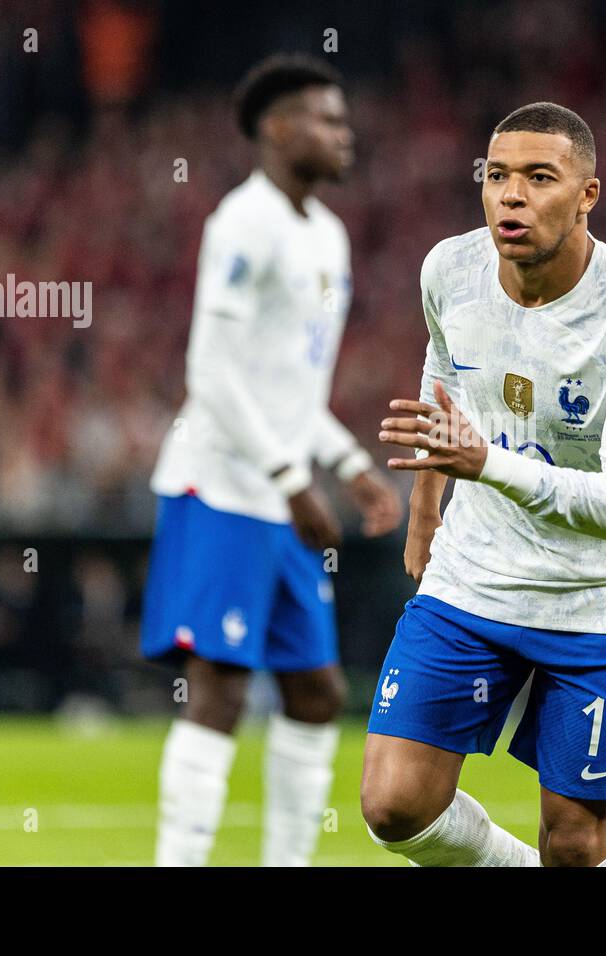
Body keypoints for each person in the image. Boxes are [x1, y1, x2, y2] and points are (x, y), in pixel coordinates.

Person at [360, 102, 606, 867]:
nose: (511, 195)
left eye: (540, 178)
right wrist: (425, 503)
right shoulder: (449, 269)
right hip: (476, 576)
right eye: (497, 175)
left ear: (587, 195)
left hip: (600, 596)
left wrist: (485, 466)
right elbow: (445, 366)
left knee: (573, 843)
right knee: (393, 806)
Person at [139, 54, 402, 867]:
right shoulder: (241, 223)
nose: (343, 134)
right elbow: (210, 370)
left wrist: (349, 461)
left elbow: (288, 385)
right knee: (219, 685)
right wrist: (294, 480)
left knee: (317, 690)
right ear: (278, 129)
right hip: (223, 485)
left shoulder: (328, 235)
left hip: (279, 491)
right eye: (327, 119)